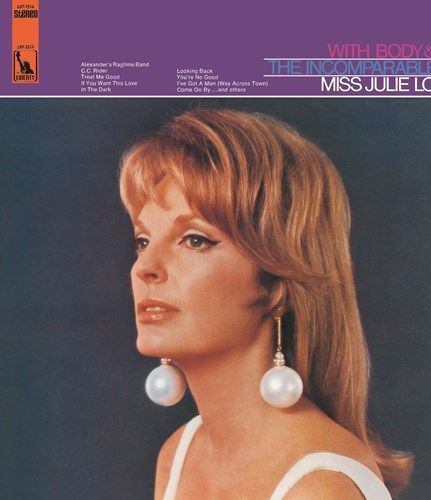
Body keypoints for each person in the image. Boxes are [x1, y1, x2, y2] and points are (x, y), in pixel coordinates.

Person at [119, 108, 414, 499]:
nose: (146, 268)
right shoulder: (178, 454)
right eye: (142, 241)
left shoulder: (320, 488)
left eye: (194, 240)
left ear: (275, 283)